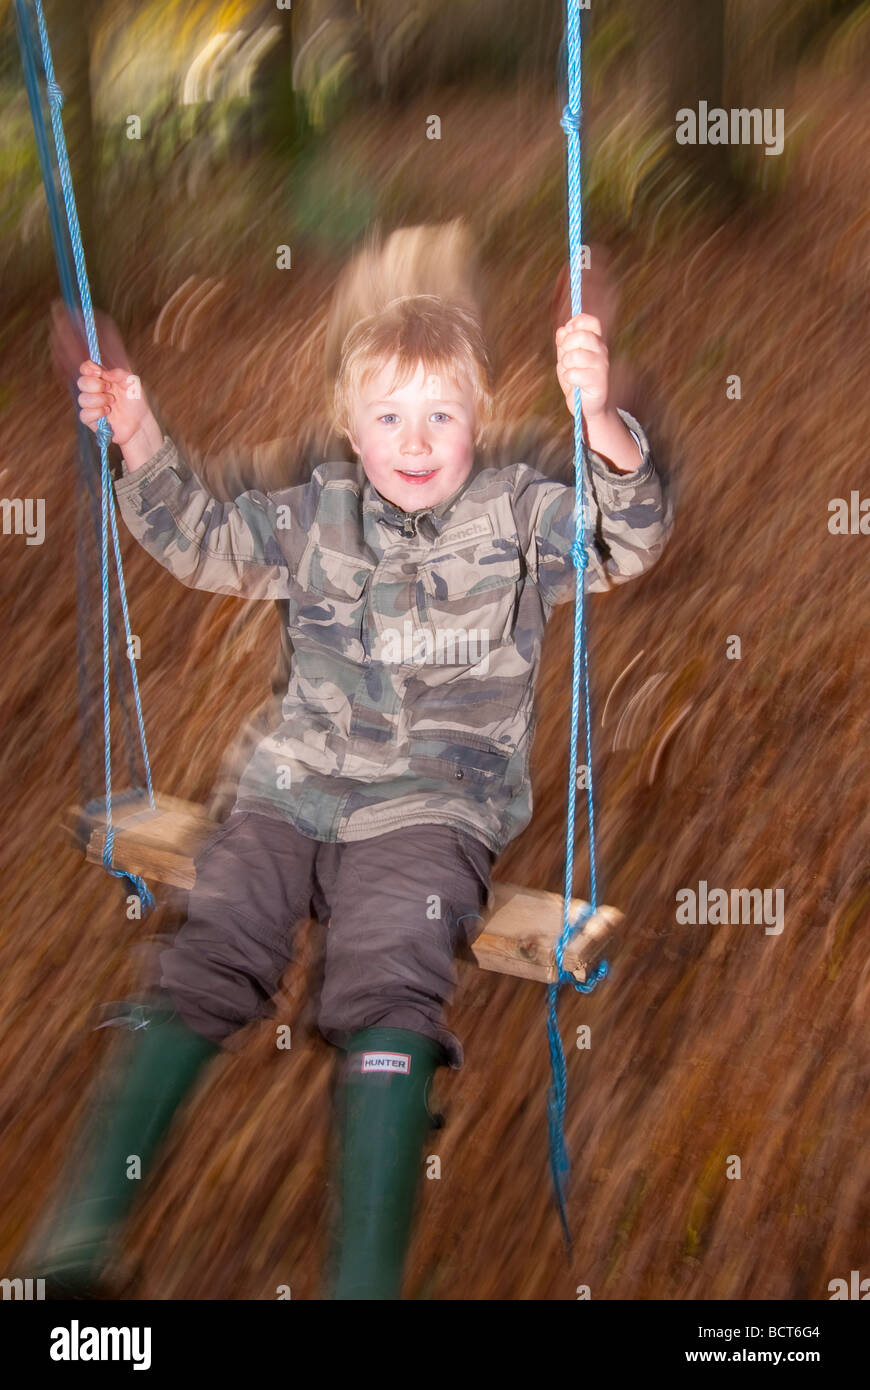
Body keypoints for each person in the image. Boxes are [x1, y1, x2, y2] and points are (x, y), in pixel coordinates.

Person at [29, 291, 671, 1300]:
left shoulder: (517, 517)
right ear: (348, 424)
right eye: (388, 417)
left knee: (389, 958)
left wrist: (598, 420)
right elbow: (200, 535)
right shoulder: (315, 509)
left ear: (480, 417)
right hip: (293, 783)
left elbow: (626, 538)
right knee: (220, 928)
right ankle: (77, 1238)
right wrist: (138, 430)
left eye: (441, 416)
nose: (414, 442)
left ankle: (360, 1283)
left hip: (433, 803)